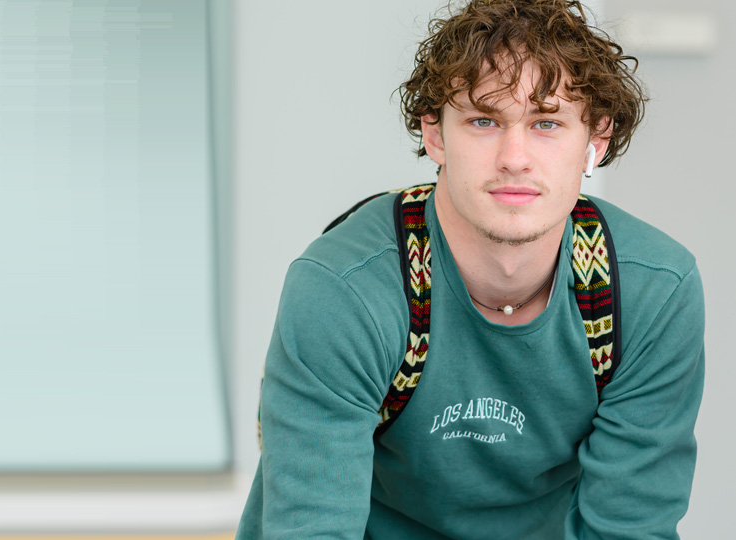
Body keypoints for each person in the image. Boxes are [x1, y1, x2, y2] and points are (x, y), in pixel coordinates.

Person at [238, 1, 704, 538]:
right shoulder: (344, 290)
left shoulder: (653, 291)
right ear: (435, 135)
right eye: (484, 120)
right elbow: (311, 527)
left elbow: (628, 527)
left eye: (547, 123)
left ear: (594, 142)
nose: (514, 157)